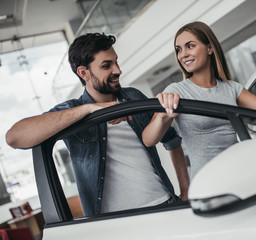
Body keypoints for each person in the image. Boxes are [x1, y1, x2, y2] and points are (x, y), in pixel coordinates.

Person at [6, 33, 190, 216]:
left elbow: (171, 140)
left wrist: (185, 189)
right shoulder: (72, 111)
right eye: (106, 65)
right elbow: (14, 137)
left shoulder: (133, 96)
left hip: (165, 205)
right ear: (84, 73)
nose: (118, 70)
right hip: (111, 223)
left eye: (116, 62)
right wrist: (88, 110)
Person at [142, 21, 256, 179]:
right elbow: (149, 140)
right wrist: (163, 117)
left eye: (190, 46)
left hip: (240, 174)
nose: (183, 54)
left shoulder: (231, 88)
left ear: (209, 48)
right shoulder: (176, 91)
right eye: (178, 50)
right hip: (209, 181)